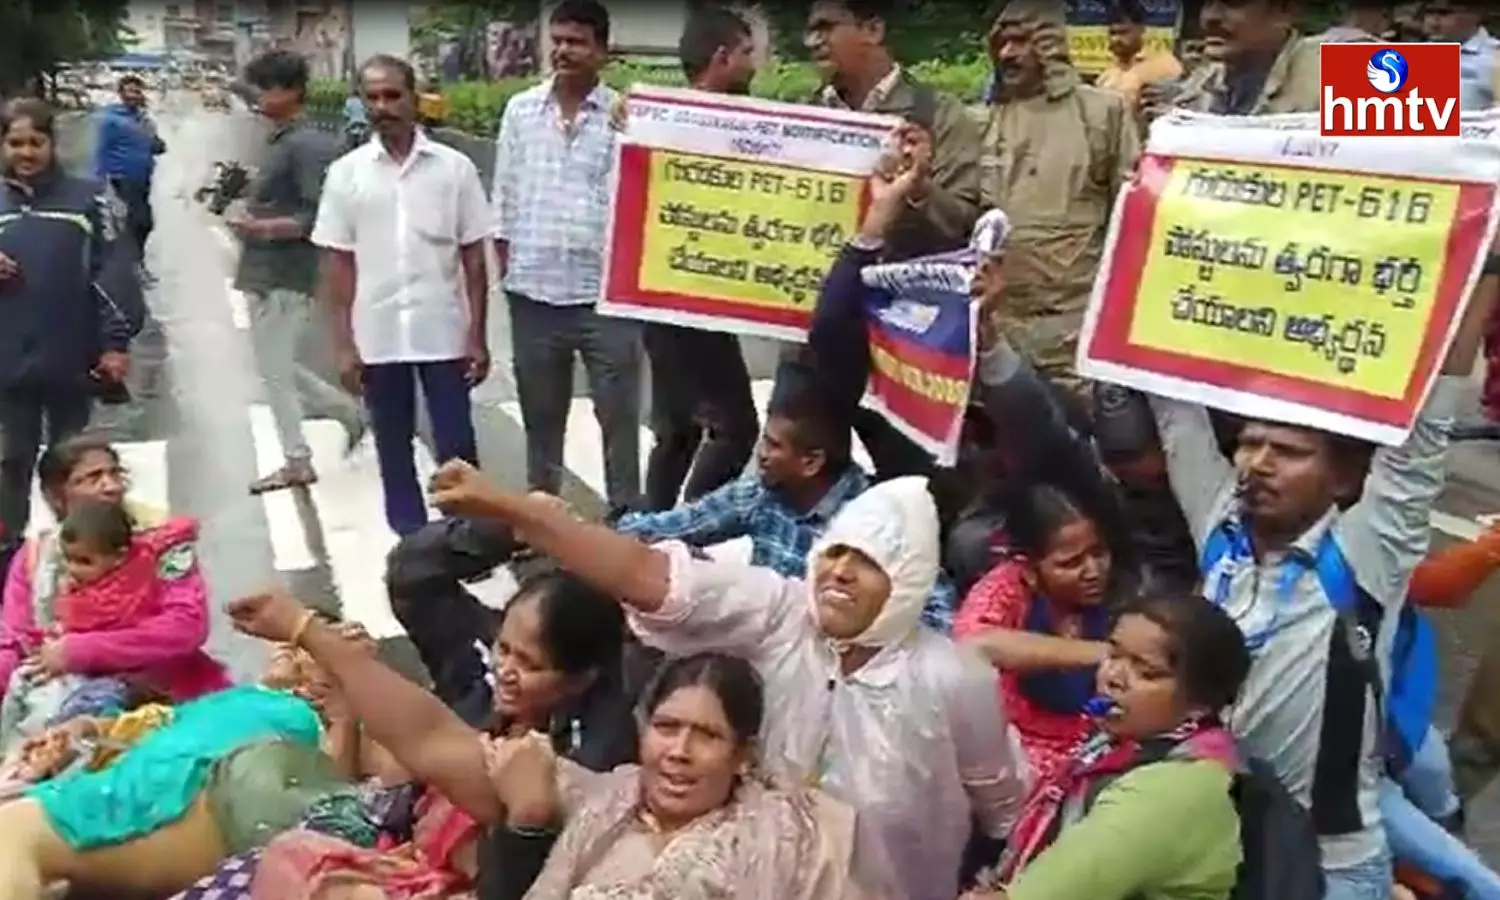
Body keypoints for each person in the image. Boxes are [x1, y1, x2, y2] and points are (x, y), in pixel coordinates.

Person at [426, 463, 1031, 900]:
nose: (840, 573)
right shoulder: (781, 612)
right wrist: (512, 508)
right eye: (835, 554)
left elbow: (1003, 810)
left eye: (868, 562)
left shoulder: (954, 678)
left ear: (908, 578)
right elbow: (649, 576)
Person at [1146, 229, 1496, 898]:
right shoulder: (1220, 524)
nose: (1257, 463)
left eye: (1288, 451)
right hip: (1223, 841)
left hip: (1333, 867)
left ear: (1342, 482)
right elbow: (1172, 402)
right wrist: (1159, 227)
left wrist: (1483, 265)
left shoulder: (1365, 553)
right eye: (1249, 444)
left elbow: (1425, 424)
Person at [223, 569, 647, 899]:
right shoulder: (494, 706)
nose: (505, 670)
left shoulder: (583, 768)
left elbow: (428, 740)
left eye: (530, 664)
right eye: (504, 649)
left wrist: (308, 632)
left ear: (580, 679)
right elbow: (421, 740)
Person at [480, 652, 877, 899]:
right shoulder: (602, 804)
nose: (679, 752)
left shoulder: (789, 844)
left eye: (707, 735)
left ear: (743, 755)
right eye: (667, 727)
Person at [962, 594, 1251, 900]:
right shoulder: (1123, 743)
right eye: (1114, 656)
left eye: (1146, 673)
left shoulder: (1167, 793)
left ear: (1199, 704)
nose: (1113, 678)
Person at [311, 53, 491, 537]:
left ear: (414, 99)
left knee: (457, 441)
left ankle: (467, 534)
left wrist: (478, 335)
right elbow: (338, 263)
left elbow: (474, 257)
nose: (383, 106)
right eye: (372, 97)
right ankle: (411, 539)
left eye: (393, 95)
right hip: (378, 334)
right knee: (391, 444)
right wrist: (344, 345)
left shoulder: (455, 170)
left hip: (443, 331)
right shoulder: (346, 174)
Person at [493, 0, 643, 511]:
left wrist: (645, 126)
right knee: (541, 416)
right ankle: (543, 517)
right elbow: (505, 196)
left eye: (576, 41)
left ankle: (626, 520)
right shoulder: (520, 110)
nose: (563, 50)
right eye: (556, 40)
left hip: (606, 299)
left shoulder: (627, 117)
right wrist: (506, 272)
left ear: (602, 51)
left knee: (619, 417)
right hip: (533, 293)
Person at [981, 0, 1139, 399]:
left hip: (1075, 323)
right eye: (1003, 42)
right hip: (1004, 324)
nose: (1008, 54)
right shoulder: (983, 119)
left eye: (1021, 41)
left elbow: (1133, 214)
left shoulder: (1101, 113)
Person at [0, 100, 132, 570]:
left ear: (52, 144)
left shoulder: (87, 198)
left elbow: (113, 274)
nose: (26, 152)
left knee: (73, 465)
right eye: (15, 143)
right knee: (8, 463)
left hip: (71, 360)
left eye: (36, 141)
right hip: (7, 366)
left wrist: (115, 343)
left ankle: (83, 559)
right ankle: (10, 564)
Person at [638, 5, 760, 511]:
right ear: (722, 56)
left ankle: (652, 526)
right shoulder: (675, 125)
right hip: (686, 303)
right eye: (749, 53)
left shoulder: (664, 123)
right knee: (736, 428)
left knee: (678, 430)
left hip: (669, 301)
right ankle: (688, 522)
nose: (756, 64)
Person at [233, 49, 366, 496]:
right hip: (263, 270)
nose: (256, 97)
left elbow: (320, 216)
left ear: (289, 90)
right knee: (274, 365)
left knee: (273, 371)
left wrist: (262, 226)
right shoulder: (282, 139)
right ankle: (345, 412)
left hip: (284, 273)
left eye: (263, 87)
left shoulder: (307, 144)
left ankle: (297, 459)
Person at [0, 497, 228, 747]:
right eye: (89, 478)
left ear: (119, 556)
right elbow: (19, 635)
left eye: (112, 473)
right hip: (78, 682)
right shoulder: (41, 558)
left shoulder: (164, 553)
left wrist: (81, 650)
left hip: (165, 687)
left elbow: (185, 626)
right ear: (57, 494)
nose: (107, 485)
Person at [956, 484, 1122, 782]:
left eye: (1099, 552)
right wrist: (1105, 652)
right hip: (1021, 762)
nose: (1094, 570)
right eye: (1070, 563)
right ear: (1030, 569)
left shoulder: (1122, 589)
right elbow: (974, 644)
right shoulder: (1002, 592)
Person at [807, 0, 981, 260]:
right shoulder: (805, 117)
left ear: (873, 31)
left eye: (826, 27)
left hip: (903, 294)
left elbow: (965, 225)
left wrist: (919, 188)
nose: (812, 41)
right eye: (810, 31)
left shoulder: (940, 115)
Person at [93, 74, 165, 261]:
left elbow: (155, 146)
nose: (134, 95)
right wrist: (99, 182)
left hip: (143, 178)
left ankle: (134, 261)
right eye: (130, 91)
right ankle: (130, 263)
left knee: (140, 223)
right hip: (121, 178)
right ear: (121, 93)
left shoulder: (144, 120)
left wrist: (157, 144)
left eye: (137, 91)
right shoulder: (111, 119)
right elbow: (102, 149)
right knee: (139, 223)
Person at [1095, 0, 1182, 119]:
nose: (1116, 39)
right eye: (1112, 33)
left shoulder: (1164, 65)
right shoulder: (1106, 75)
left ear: (1141, 29)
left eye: (1123, 32)